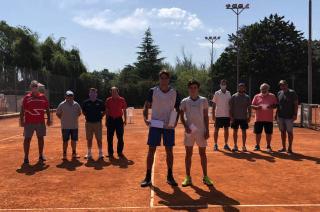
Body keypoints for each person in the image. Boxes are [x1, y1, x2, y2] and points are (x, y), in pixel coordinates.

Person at [141, 70, 180, 187]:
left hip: (168, 125)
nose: (163, 80)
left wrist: (174, 122)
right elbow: (146, 105)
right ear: (159, 79)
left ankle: (170, 175)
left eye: (165, 78)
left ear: (169, 80)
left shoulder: (175, 92)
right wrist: (145, 118)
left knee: (169, 151)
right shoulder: (152, 91)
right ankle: (147, 177)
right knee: (151, 150)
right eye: (161, 78)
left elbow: (178, 109)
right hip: (156, 124)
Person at [180, 79, 213, 187]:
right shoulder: (184, 101)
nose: (193, 90)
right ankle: (188, 177)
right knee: (188, 154)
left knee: (202, 154)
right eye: (191, 88)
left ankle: (205, 176)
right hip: (189, 131)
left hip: (201, 131)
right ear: (188, 89)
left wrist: (207, 130)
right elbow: (181, 116)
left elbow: (205, 116)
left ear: (198, 89)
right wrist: (186, 127)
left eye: (195, 88)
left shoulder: (203, 100)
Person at [19, 80, 52, 164]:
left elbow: (47, 108)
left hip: (40, 122)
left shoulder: (43, 97)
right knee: (27, 139)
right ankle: (26, 157)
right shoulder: (27, 97)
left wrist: (49, 119)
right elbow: (22, 109)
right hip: (29, 122)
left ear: (38, 87)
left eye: (35, 86)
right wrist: (21, 119)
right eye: (33, 86)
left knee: (40, 138)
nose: (34, 88)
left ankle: (41, 155)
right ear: (31, 87)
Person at [251, 83, 278, 152]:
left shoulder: (272, 96)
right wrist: (257, 107)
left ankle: (268, 146)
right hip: (258, 118)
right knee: (258, 133)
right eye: (262, 88)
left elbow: (276, 105)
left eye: (265, 88)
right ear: (260, 89)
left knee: (268, 133)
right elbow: (252, 105)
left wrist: (271, 106)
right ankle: (257, 145)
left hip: (268, 119)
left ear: (268, 89)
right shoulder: (256, 96)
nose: (264, 90)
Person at [56, 90, 81, 160]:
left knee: (74, 140)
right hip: (65, 126)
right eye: (68, 96)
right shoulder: (62, 104)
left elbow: (79, 113)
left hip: (74, 126)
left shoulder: (76, 104)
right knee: (65, 141)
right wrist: (63, 119)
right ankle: (64, 154)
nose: (70, 97)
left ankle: (74, 153)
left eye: (71, 96)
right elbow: (58, 113)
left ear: (73, 96)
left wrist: (73, 119)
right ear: (65, 96)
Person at [82, 88, 106, 159]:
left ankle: (100, 153)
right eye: (91, 93)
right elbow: (83, 111)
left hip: (98, 123)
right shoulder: (85, 102)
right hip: (88, 123)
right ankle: (89, 153)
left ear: (96, 94)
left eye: (94, 93)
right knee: (89, 139)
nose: (92, 94)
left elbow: (104, 111)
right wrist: (88, 116)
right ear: (89, 94)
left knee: (99, 139)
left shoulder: (100, 102)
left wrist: (101, 116)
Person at [276, 80, 298, 154]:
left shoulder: (292, 93)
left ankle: (290, 148)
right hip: (281, 116)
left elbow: (295, 104)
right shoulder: (279, 93)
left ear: (287, 85)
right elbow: (278, 105)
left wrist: (295, 114)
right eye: (281, 85)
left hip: (289, 116)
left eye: (284, 84)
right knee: (282, 132)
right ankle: (284, 147)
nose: (282, 86)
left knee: (289, 132)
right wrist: (276, 114)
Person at [105, 87, 127, 158]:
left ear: (118, 92)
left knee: (120, 137)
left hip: (119, 120)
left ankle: (120, 152)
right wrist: (106, 120)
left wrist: (125, 119)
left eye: (115, 91)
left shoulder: (122, 99)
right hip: (110, 120)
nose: (114, 93)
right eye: (112, 91)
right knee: (109, 137)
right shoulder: (108, 100)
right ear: (110, 92)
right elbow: (107, 111)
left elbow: (124, 110)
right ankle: (110, 153)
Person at [229, 83, 252, 152]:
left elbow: (249, 108)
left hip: (244, 118)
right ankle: (235, 145)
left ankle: (244, 146)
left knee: (244, 132)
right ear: (238, 88)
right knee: (235, 131)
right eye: (240, 87)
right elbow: (231, 107)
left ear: (244, 88)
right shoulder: (234, 96)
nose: (241, 88)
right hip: (235, 117)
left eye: (242, 87)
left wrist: (249, 116)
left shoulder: (247, 97)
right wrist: (231, 117)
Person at [212, 79, 232, 151]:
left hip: (226, 115)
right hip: (218, 115)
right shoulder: (217, 93)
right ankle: (215, 144)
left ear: (226, 85)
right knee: (216, 130)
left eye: (224, 84)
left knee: (226, 130)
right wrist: (213, 115)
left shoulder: (229, 93)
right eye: (222, 84)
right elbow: (214, 104)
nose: (223, 85)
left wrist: (231, 115)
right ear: (220, 84)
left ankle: (226, 144)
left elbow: (230, 104)